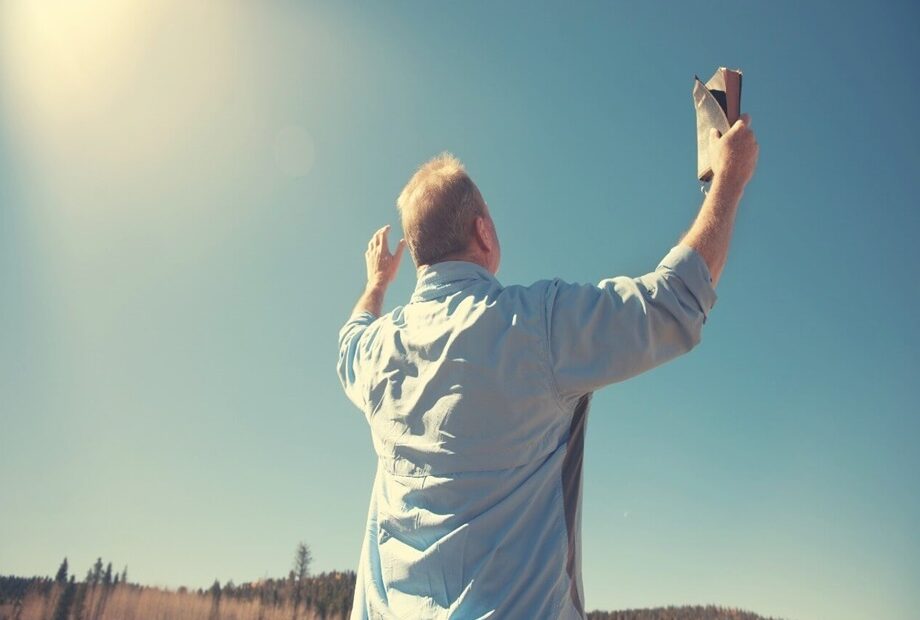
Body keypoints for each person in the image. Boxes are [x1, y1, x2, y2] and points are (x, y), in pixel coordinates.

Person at [337, 115, 759, 619]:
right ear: (484, 232)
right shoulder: (535, 326)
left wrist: (377, 284)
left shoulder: (377, 352)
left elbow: (351, 339)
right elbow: (675, 301)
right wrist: (729, 180)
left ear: (419, 257)